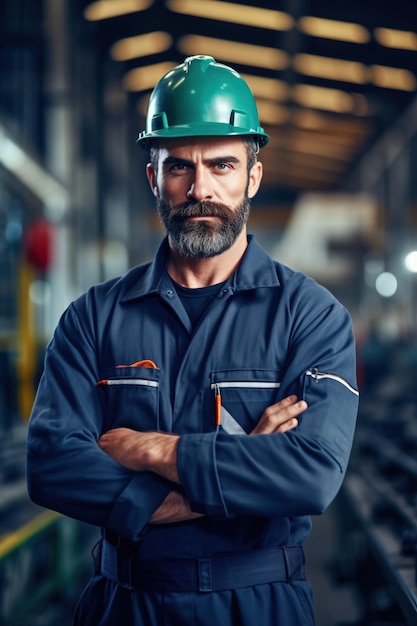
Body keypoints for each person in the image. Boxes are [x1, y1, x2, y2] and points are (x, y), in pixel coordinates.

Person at [27, 55, 359, 626]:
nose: (200, 187)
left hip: (258, 606)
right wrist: (237, 470)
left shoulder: (311, 317)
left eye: (223, 165)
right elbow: (53, 465)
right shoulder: (94, 317)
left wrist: (154, 450)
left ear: (253, 175)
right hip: (126, 605)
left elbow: (311, 474)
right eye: (180, 165)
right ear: (154, 176)